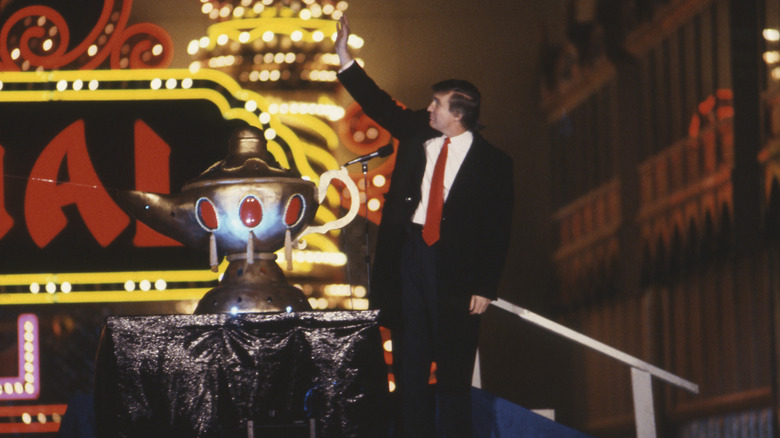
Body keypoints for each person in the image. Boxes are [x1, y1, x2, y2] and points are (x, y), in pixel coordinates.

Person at [335, 16, 514, 437]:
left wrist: (486, 285)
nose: (428, 108)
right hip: (409, 255)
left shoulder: (494, 163)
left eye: (437, 104)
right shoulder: (417, 132)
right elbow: (377, 102)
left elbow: (498, 227)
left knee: (453, 369)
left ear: (459, 114)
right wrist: (345, 56)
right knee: (410, 364)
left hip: (457, 269)